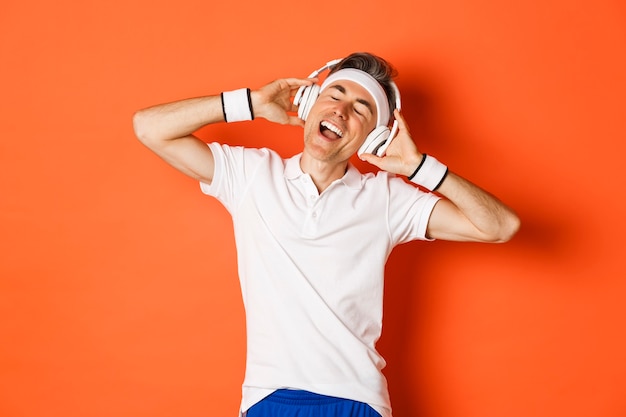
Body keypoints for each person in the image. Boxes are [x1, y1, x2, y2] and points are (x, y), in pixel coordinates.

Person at [133, 52, 520, 417]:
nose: (341, 110)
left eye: (360, 108)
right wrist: (250, 101)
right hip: (268, 396)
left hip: (357, 399)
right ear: (308, 105)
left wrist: (417, 167)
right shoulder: (250, 175)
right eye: (335, 93)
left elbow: (501, 226)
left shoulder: (386, 198)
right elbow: (149, 128)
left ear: (373, 137)